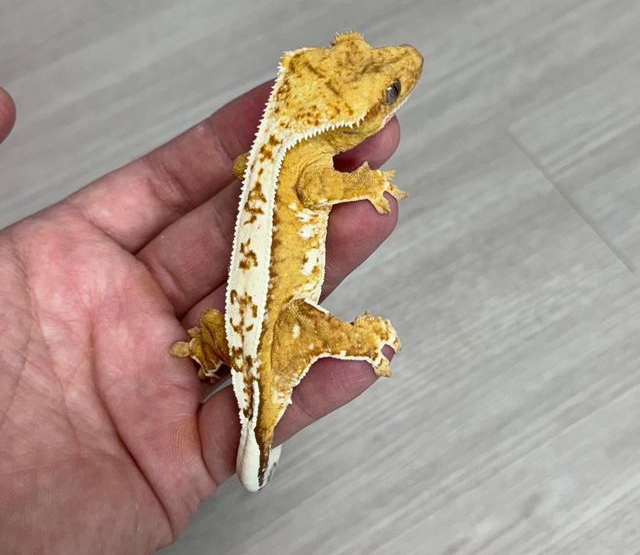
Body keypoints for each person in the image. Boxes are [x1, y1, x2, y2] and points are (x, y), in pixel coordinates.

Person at [0, 83, 401, 553]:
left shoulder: (287, 153)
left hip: (254, 317)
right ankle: (349, 348)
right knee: (288, 332)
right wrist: (364, 185)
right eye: (388, 93)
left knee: (260, 343)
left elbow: (247, 167)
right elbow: (313, 187)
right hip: (273, 314)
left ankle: (219, 360)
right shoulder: (305, 159)